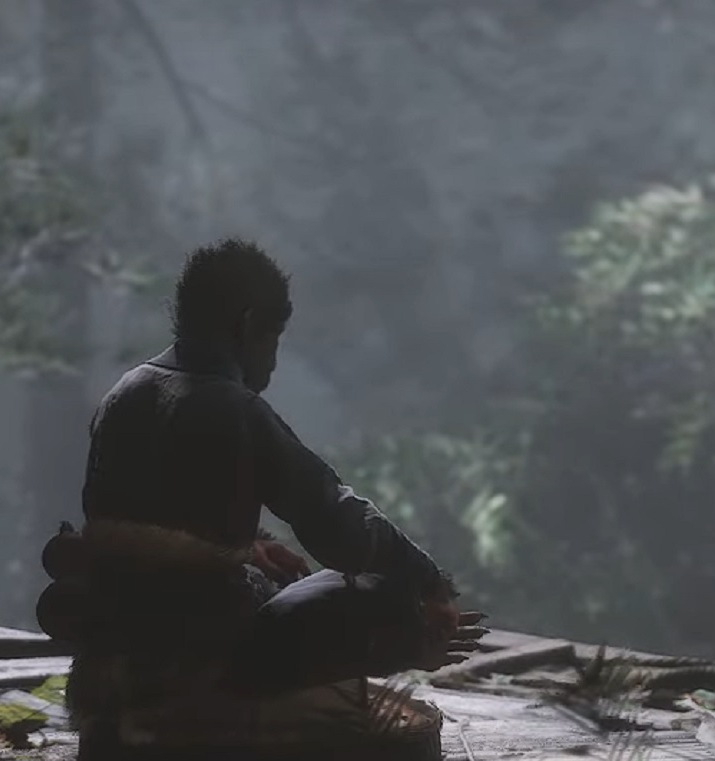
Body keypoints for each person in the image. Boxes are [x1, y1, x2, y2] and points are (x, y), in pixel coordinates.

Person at [70, 237, 486, 699]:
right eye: (274, 339)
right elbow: (340, 528)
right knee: (377, 588)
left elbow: (144, 526)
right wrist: (428, 581)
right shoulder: (235, 408)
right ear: (248, 327)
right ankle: (410, 655)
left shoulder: (123, 394)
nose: (272, 360)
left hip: (114, 642)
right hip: (209, 651)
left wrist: (249, 550)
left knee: (287, 579)